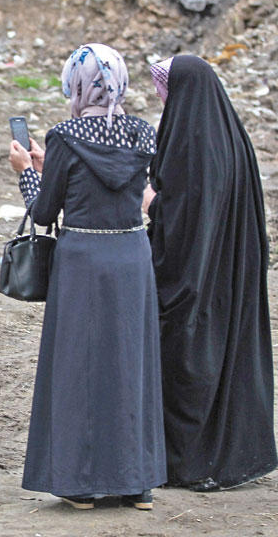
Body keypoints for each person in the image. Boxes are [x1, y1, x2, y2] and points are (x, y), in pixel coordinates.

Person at [8, 44, 166, 510]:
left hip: (81, 259)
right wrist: (49, 165)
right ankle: (137, 484)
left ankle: (78, 484)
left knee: (77, 366)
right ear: (119, 82)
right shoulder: (143, 133)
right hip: (132, 256)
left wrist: (26, 173)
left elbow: (43, 210)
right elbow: (120, 183)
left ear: (75, 84)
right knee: (130, 364)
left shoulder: (65, 135)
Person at [144, 55, 277, 490]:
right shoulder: (228, 134)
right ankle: (224, 457)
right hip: (229, 273)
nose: (162, 96)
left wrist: (149, 204)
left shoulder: (191, 142)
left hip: (195, 274)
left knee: (188, 357)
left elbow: (185, 216)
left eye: (165, 86)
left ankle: (189, 462)